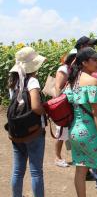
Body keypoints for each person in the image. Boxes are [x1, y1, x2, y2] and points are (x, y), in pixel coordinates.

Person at [64, 47, 97, 197]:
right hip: (90, 132)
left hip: (75, 132)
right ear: (84, 62)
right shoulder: (91, 81)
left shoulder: (72, 82)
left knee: (80, 169)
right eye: (95, 59)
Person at [8, 47, 47, 197]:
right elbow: (36, 107)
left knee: (18, 170)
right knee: (36, 171)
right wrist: (46, 111)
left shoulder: (13, 81)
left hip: (16, 130)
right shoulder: (32, 81)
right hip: (33, 131)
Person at [54, 49, 77, 168]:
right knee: (61, 133)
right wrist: (60, 105)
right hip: (63, 105)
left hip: (70, 104)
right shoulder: (63, 69)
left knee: (69, 133)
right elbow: (58, 88)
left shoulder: (72, 69)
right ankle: (57, 157)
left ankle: (74, 157)